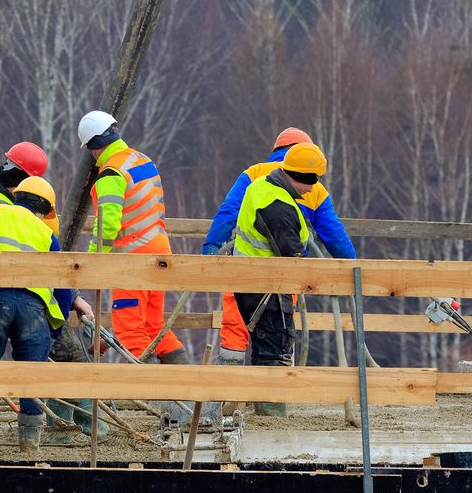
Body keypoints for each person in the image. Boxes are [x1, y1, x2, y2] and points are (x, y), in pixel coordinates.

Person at [203, 127, 356, 368]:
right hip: (286, 273)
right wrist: (351, 265)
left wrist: (211, 248)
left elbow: (228, 212)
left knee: (236, 326)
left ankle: (228, 390)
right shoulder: (314, 186)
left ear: (275, 151)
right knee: (280, 332)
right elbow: (333, 235)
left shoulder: (253, 174)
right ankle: (273, 390)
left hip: (242, 268)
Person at [0, 176, 74, 455]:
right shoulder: (45, 234)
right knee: (32, 374)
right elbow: (64, 285)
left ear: (17, 196)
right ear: (42, 209)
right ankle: (28, 441)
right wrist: (57, 326)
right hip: (33, 309)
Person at [78, 110, 188, 364]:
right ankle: (185, 387)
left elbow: (107, 227)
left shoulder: (110, 174)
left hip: (134, 259)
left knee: (130, 328)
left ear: (92, 148)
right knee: (154, 324)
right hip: (160, 251)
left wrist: (93, 261)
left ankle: (148, 397)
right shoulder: (140, 159)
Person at [230, 143, 329, 416]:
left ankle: (264, 408)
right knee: (276, 347)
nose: (312, 189)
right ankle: (272, 414)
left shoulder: (262, 186)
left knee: (264, 345)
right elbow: (291, 254)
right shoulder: (278, 207)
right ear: (301, 176)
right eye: (311, 181)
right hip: (268, 287)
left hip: (251, 283)